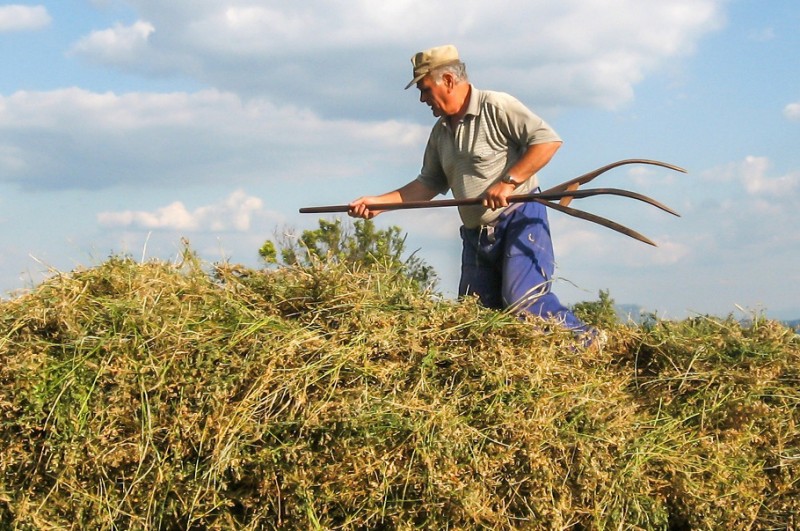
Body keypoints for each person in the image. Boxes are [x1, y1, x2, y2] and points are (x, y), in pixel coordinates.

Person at [348, 44, 599, 345]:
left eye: (425, 89)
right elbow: (428, 184)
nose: (422, 98)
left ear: (449, 81)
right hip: (476, 235)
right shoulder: (441, 133)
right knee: (474, 318)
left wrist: (509, 182)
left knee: (524, 301)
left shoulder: (497, 106)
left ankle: (589, 341)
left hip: (518, 220)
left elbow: (547, 142)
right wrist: (380, 203)